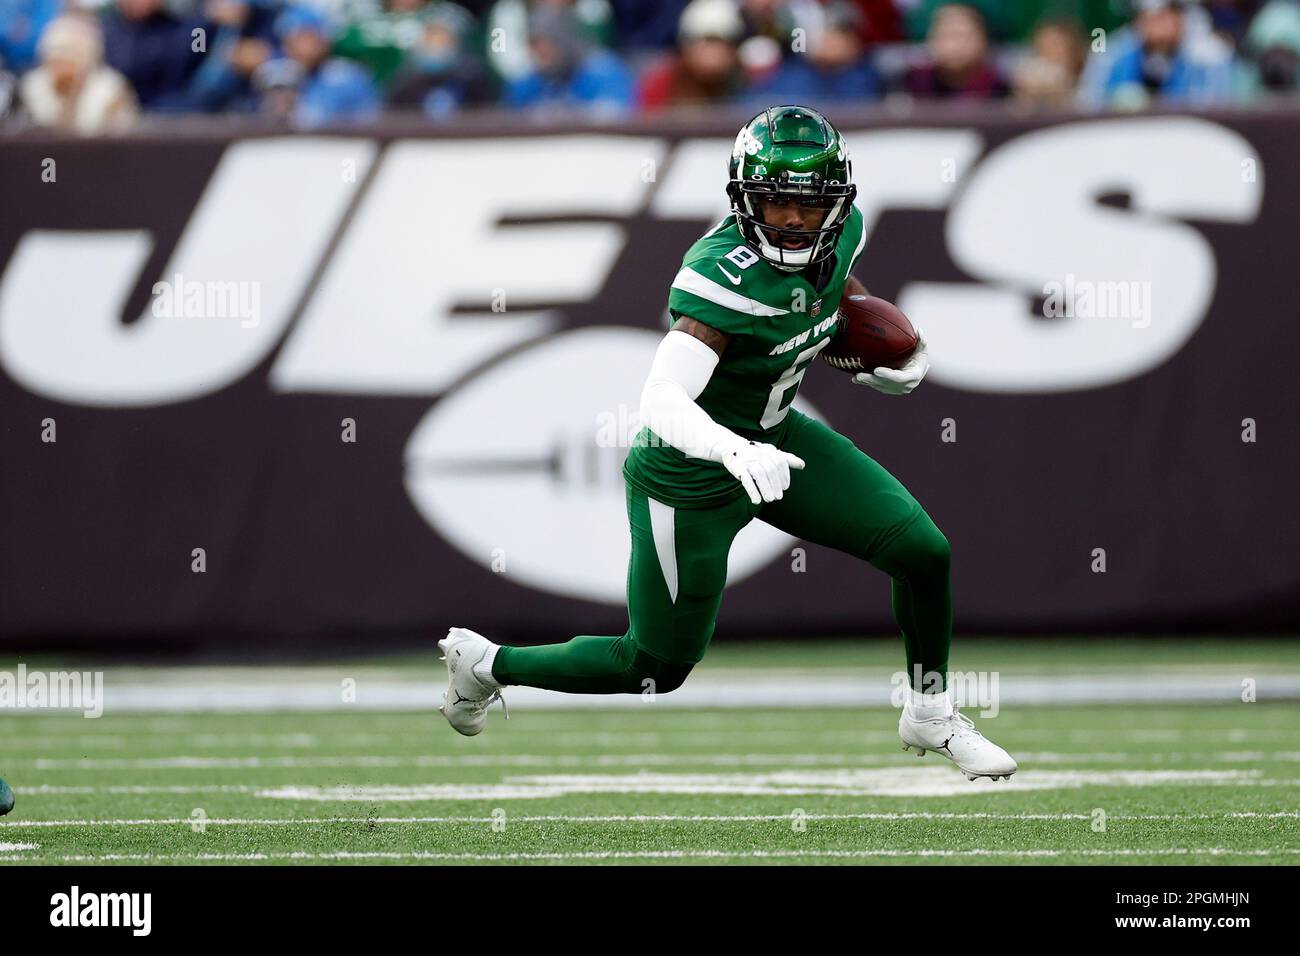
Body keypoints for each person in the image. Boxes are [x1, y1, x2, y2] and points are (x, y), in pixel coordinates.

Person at [438, 105, 1019, 784]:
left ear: (839, 202)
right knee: (654, 666)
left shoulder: (844, 231)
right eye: (776, 201)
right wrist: (734, 453)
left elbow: (832, 290)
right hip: (690, 477)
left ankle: (930, 711)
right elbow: (660, 400)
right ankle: (487, 664)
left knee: (923, 552)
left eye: (810, 204)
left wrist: (882, 348)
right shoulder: (721, 277)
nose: (795, 220)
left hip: (778, 440)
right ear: (745, 199)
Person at [20, 12, 138, 132]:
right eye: (55, 61)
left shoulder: (111, 90)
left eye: (68, 61)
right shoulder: (33, 87)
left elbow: (122, 134)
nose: (60, 68)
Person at [903, 1, 1008, 99]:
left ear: (983, 40)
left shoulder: (997, 87)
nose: (954, 46)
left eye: (963, 36)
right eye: (946, 35)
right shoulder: (913, 82)